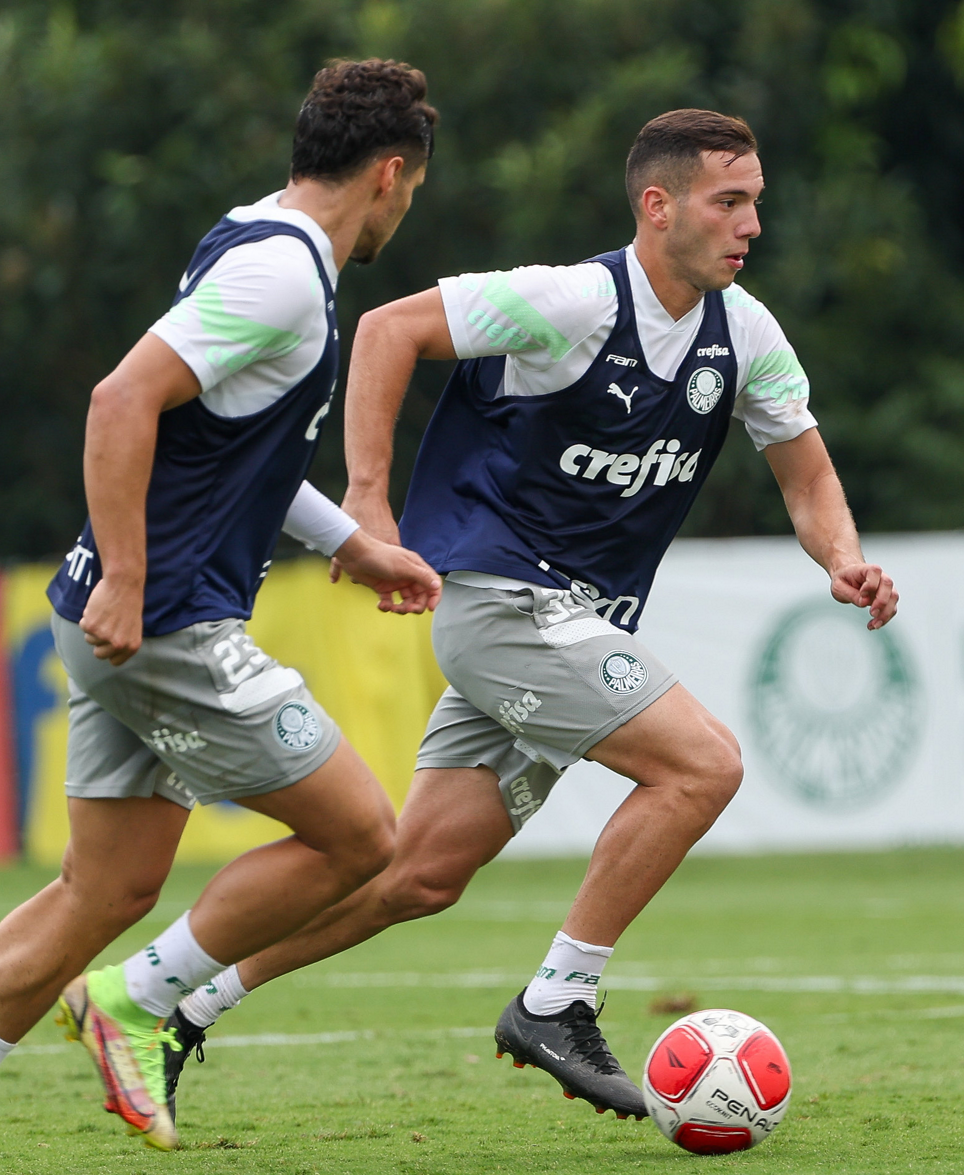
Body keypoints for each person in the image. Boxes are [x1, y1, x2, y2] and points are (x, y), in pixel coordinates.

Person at [161, 107, 899, 1123]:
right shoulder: (570, 303)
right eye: (728, 202)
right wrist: (367, 500)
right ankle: (559, 999)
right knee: (704, 766)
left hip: (572, 626)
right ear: (657, 206)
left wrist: (844, 559)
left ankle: (185, 1004)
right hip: (502, 605)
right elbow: (387, 330)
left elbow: (807, 479)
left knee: (414, 876)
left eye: (754, 202)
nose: (750, 225)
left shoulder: (747, 335)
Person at [0, 59, 441, 1175]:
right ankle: (137, 998)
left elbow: (230, 446)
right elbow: (119, 400)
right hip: (166, 623)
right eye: (411, 191)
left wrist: (350, 543)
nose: (404, 210)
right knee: (363, 840)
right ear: (388, 174)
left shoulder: (252, 238)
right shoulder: (283, 275)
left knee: (105, 887)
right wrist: (129, 576)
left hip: (122, 620)